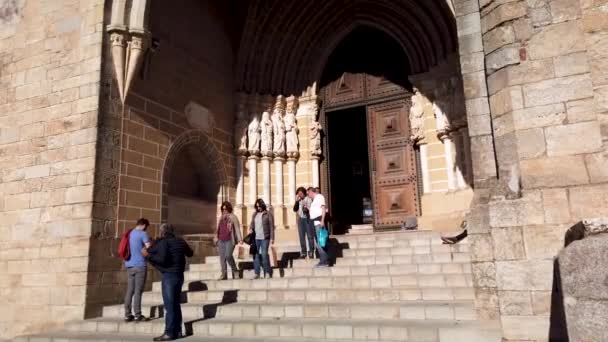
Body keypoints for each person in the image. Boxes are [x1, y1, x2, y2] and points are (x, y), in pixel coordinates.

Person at [143, 224, 194, 341]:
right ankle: (178, 330)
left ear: (162, 232)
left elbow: (162, 259)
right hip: (179, 275)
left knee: (170, 306)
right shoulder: (180, 241)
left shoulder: (164, 243)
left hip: (169, 276)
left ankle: (170, 332)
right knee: (175, 304)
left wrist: (148, 256)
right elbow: (190, 253)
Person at [124, 218, 152, 322]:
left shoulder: (129, 233)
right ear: (144, 225)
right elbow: (149, 248)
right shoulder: (143, 234)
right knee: (138, 291)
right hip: (140, 265)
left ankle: (127, 314)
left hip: (129, 265)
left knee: (130, 290)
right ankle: (137, 315)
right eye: (146, 227)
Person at [215, 201, 243, 280]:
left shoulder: (233, 217)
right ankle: (224, 274)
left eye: (226, 209)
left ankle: (235, 271)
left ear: (229, 209)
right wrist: (216, 238)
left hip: (230, 240)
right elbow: (218, 229)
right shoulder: (221, 218)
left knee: (228, 255)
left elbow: (237, 228)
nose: (224, 211)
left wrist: (240, 239)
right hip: (221, 240)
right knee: (222, 258)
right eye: (223, 209)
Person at [249, 198, 274, 278]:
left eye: (259, 206)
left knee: (264, 255)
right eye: (256, 207)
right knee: (255, 255)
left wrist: (272, 238)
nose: (258, 208)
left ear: (262, 205)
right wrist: (250, 228)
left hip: (265, 238)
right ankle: (257, 273)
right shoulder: (255, 214)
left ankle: (267, 272)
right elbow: (252, 224)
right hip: (256, 238)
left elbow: (271, 226)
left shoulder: (268, 214)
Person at [308, 187, 329, 267]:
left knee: (320, 242)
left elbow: (323, 209)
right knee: (319, 242)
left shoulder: (320, 197)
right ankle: (324, 260)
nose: (308, 196)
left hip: (319, 223)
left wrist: (322, 220)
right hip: (315, 223)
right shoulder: (314, 200)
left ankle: (324, 261)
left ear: (311, 192)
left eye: (308, 194)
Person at [293, 187, 314, 259]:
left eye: (301, 194)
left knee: (310, 236)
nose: (300, 195)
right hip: (301, 219)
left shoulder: (308, 199)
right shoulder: (298, 201)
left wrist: (306, 209)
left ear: (304, 193)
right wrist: (296, 201)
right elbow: (295, 209)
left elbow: (310, 209)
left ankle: (311, 251)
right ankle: (303, 252)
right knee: (301, 237)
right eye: (298, 194)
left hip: (308, 219)